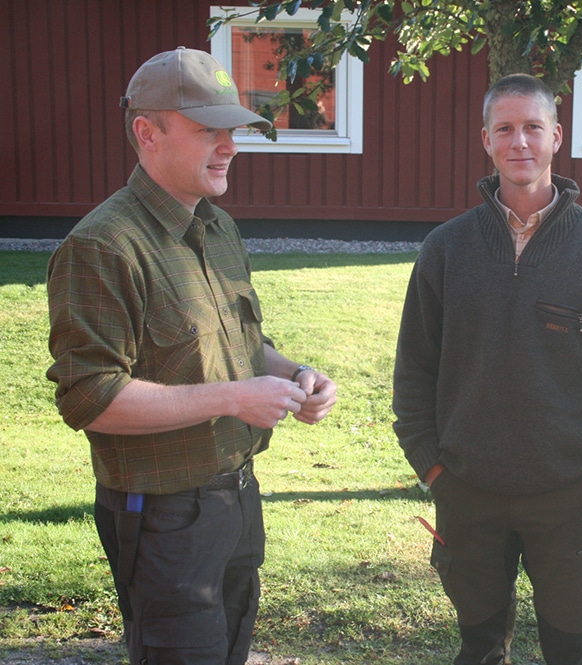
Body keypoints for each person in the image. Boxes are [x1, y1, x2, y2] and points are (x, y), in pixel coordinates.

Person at [46, 47, 338, 665]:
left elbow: (237, 341)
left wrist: (293, 375)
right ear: (146, 134)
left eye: (231, 130)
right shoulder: (103, 246)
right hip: (161, 516)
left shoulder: (216, 227)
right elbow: (89, 399)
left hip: (233, 499)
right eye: (208, 130)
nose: (229, 146)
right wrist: (236, 397)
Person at [392, 73, 582, 665]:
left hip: (569, 500)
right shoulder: (445, 249)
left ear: (557, 137)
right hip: (467, 496)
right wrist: (435, 470)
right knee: (480, 649)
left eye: (533, 128)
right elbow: (413, 371)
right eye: (506, 129)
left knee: (572, 653)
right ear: (486, 140)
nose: (520, 142)